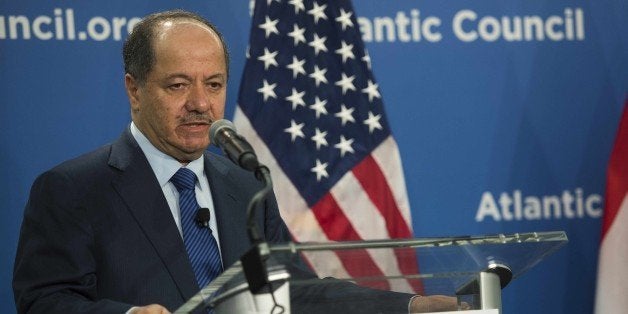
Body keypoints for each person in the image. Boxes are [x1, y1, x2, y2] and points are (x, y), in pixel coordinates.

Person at [12, 9, 461, 314]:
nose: (200, 104)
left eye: (213, 84)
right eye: (177, 86)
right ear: (134, 89)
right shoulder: (73, 190)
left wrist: (407, 306)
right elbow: (43, 300)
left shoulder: (244, 186)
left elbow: (298, 293)